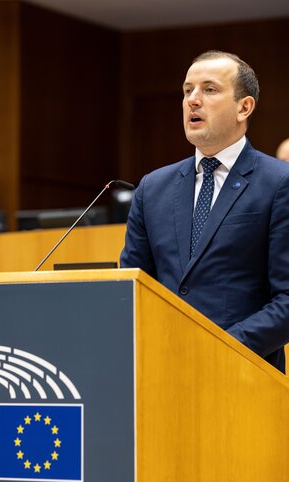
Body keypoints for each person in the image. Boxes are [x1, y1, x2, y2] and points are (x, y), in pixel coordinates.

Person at [120, 50, 289, 373]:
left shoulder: (280, 183)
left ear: (244, 107)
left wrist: (221, 347)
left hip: (243, 373)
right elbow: (132, 288)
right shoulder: (152, 187)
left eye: (209, 90)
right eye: (187, 91)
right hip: (160, 371)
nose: (193, 100)